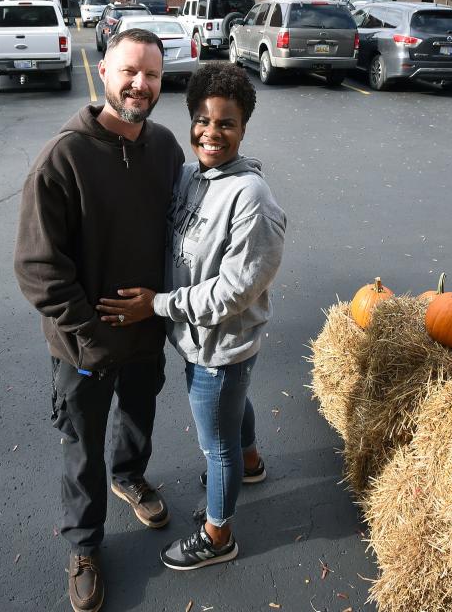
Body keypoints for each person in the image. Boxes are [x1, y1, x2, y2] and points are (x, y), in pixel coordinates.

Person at [13, 27, 184, 612]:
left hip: (145, 329)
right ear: (103, 72)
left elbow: (180, 233)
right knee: (82, 446)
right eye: (130, 71)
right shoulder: (64, 157)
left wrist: (164, 309)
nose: (141, 84)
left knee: (138, 414)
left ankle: (130, 475)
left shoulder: (164, 148)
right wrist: (87, 334)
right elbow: (38, 267)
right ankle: (84, 544)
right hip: (82, 345)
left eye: (153, 75)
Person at [98, 62, 286, 570]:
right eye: (202, 120)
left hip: (220, 345)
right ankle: (249, 463)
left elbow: (231, 294)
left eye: (226, 123)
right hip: (196, 340)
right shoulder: (190, 177)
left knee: (215, 445)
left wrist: (155, 304)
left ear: (244, 127)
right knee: (233, 410)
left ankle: (218, 534)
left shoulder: (252, 201)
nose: (211, 133)